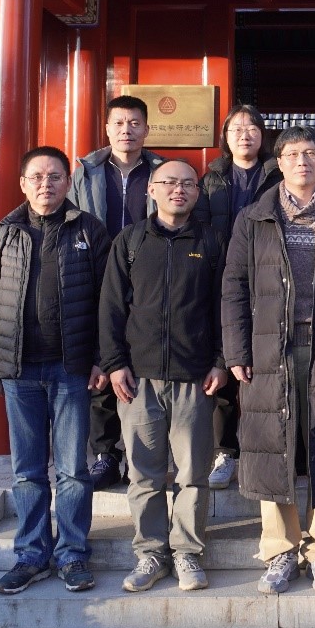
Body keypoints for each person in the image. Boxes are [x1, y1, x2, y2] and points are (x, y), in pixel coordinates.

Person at [222, 126, 315, 595]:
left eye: (309, 153)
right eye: (291, 154)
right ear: (280, 162)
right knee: (274, 447)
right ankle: (280, 550)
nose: (301, 161)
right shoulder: (254, 218)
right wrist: (237, 350)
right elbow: (234, 288)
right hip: (270, 349)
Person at [0, 145, 111, 596]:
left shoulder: (88, 230)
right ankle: (31, 555)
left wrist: (101, 358)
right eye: (36, 176)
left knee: (72, 469)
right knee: (28, 470)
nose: (45, 184)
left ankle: (72, 555)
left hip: (71, 368)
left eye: (54, 176)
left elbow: (108, 302)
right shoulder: (5, 233)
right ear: (22, 184)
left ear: (68, 183)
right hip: (20, 370)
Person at [98, 158, 228, 594]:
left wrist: (220, 360)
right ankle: (151, 552)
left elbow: (225, 307)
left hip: (195, 377)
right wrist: (115, 363)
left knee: (192, 473)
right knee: (144, 474)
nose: (179, 190)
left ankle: (188, 552)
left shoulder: (212, 241)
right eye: (169, 182)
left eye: (188, 183)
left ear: (197, 193)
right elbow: (111, 308)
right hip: (139, 379)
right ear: (151, 190)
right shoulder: (130, 241)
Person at [68, 95, 166, 492]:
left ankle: (144, 453)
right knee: (100, 361)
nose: (127, 130)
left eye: (135, 123)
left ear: (146, 129)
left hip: (146, 278)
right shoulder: (86, 173)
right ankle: (105, 454)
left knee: (140, 358)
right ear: (107, 129)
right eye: (119, 123)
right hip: (96, 274)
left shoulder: (160, 171)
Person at [193, 104, 281, 491]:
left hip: (270, 280)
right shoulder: (210, 179)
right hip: (221, 282)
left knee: (268, 369)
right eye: (236, 129)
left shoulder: (278, 176)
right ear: (225, 138)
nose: (245, 135)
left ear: (263, 135)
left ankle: (268, 450)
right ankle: (226, 451)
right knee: (227, 366)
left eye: (252, 128)